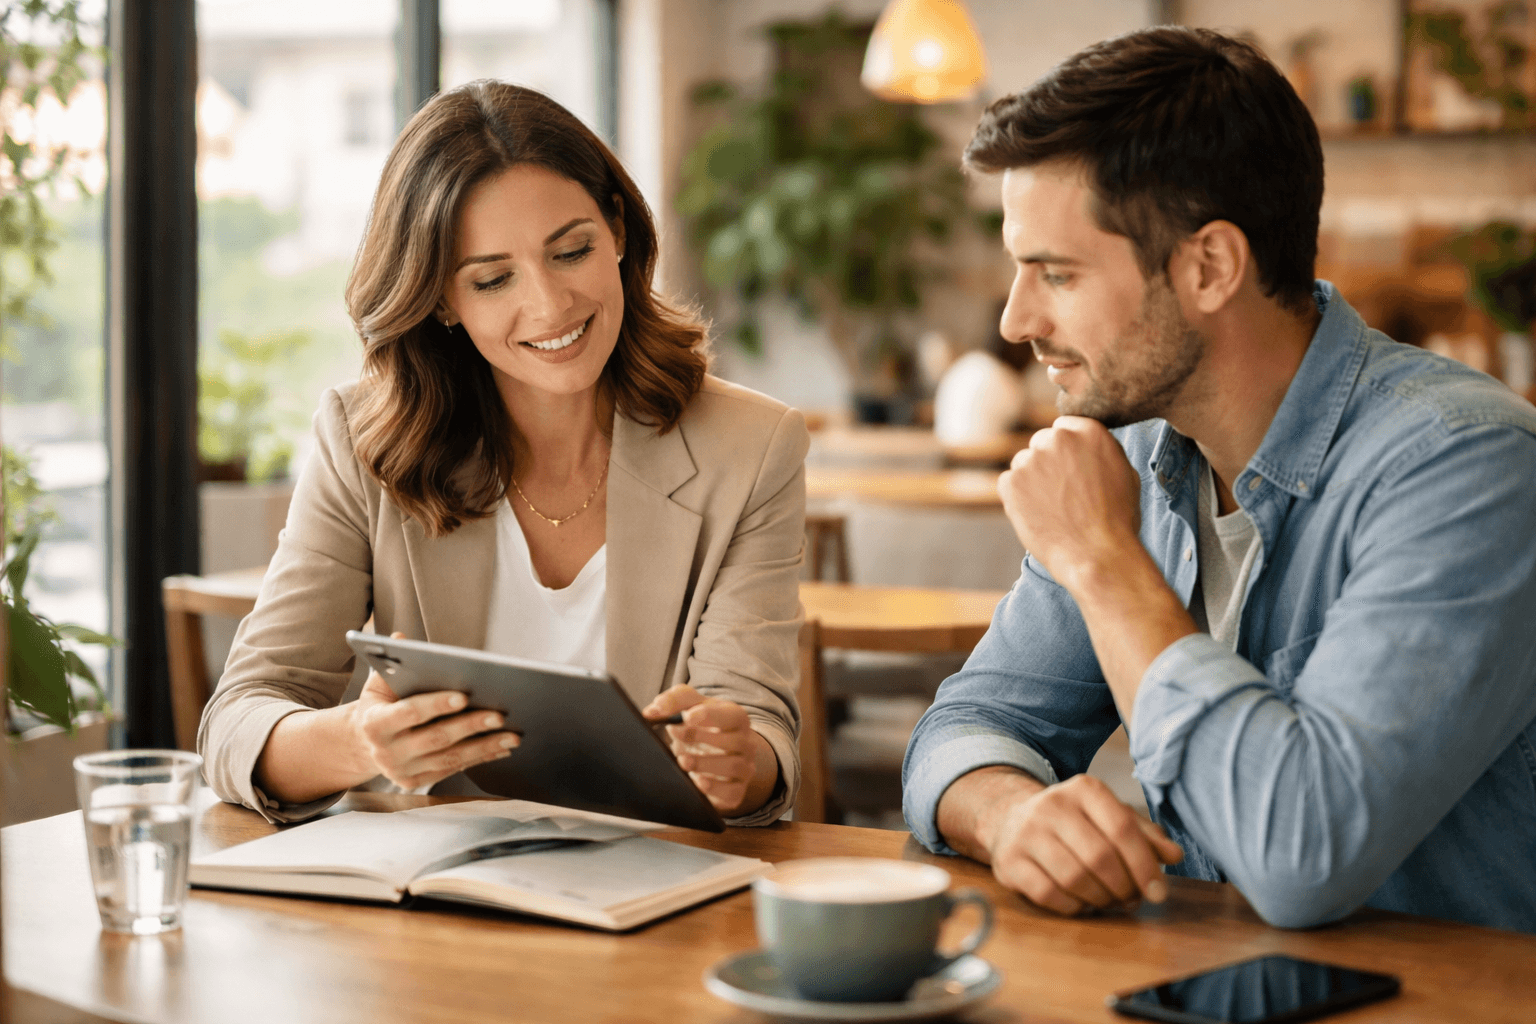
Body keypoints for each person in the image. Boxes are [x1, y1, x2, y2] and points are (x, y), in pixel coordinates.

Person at [902, 26, 1536, 933]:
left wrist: (1103, 564)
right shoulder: (1128, 448)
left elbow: (1302, 857)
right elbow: (966, 726)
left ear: (1209, 267)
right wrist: (1010, 816)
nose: (1014, 319)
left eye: (1056, 273)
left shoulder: (1467, 469)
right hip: (1205, 985)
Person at [200, 81, 807, 827]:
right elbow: (235, 724)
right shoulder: (364, 442)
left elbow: (762, 730)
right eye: (492, 278)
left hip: (655, 889)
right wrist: (359, 743)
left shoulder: (750, 447)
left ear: (617, 229)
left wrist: (735, 761)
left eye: (572, 250)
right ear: (443, 299)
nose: (551, 306)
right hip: (430, 898)